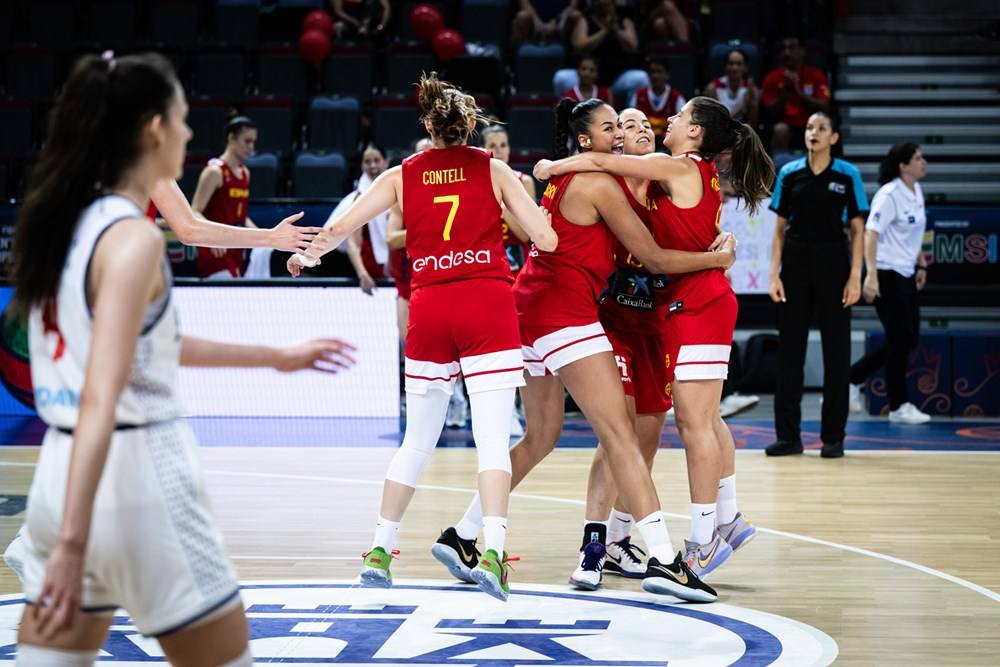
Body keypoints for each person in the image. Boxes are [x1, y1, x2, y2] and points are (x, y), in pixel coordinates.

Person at [8, 52, 354, 665]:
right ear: (153, 129)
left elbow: (141, 347)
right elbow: (104, 391)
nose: (191, 134)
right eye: (183, 119)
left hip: (61, 477)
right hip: (136, 475)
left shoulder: (57, 223)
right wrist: (71, 543)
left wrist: (275, 357)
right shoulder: (134, 238)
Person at [435, 97, 735, 603]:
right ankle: (665, 560)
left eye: (623, 125)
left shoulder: (573, 180)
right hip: (563, 314)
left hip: (524, 311)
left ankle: (462, 535)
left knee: (541, 438)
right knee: (621, 436)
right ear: (583, 139)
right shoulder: (598, 182)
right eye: (609, 127)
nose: (619, 133)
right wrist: (716, 256)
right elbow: (653, 255)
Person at [289, 73, 558, 602]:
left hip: (431, 306)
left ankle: (379, 552)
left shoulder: (400, 174)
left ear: (429, 126)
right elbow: (545, 238)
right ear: (471, 127)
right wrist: (514, 208)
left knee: (417, 440)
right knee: (492, 440)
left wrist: (308, 255)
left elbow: (343, 227)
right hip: (486, 304)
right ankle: (494, 555)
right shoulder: (495, 169)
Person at [535, 96, 773, 580]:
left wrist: (721, 243)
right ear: (615, 139)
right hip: (619, 319)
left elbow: (691, 234)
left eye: (652, 121)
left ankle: (698, 526)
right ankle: (600, 543)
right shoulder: (614, 182)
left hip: (670, 315)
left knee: (674, 427)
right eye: (628, 123)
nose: (646, 126)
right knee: (623, 434)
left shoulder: (668, 174)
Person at [766, 111, 868, 459]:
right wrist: (773, 273)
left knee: (836, 353)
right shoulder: (790, 173)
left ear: (834, 138)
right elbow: (778, 230)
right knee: (790, 351)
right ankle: (788, 437)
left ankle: (833, 438)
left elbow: (857, 230)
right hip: (795, 262)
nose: (814, 133)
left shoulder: (848, 174)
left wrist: (856, 276)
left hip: (834, 262)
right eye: (810, 128)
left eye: (822, 128)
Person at [848, 143, 931, 424]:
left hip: (906, 272)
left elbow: (916, 229)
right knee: (899, 339)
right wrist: (870, 275)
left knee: (908, 338)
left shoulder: (916, 191)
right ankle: (898, 405)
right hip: (885, 272)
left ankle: (851, 378)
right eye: (918, 158)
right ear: (903, 166)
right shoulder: (889, 194)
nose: (924, 162)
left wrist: (920, 262)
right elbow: (871, 233)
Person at [481, 123, 537, 437]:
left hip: (517, 271)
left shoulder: (521, 181)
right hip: (485, 269)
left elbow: (524, 232)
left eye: (503, 145)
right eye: (493, 145)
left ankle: (515, 406)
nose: (499, 150)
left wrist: (500, 202)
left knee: (514, 345)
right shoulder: (476, 178)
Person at [191, 113, 260, 278]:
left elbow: (240, 215)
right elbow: (195, 211)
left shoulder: (245, 174)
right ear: (232, 138)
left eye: (253, 142)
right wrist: (211, 236)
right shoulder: (215, 172)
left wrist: (263, 236)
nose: (251, 147)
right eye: (247, 141)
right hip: (215, 252)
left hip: (236, 250)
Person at [332, 144, 392, 295]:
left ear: (386, 162)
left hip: (398, 266)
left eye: (376, 160)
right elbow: (352, 242)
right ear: (361, 165)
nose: (372, 165)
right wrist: (362, 274)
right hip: (371, 269)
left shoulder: (399, 190)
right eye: (367, 161)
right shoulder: (359, 198)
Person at [761, 36, 830, 152]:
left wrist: (799, 92)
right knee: (780, 129)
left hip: (810, 124)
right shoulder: (772, 77)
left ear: (803, 51)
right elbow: (769, 111)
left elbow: (824, 105)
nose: (787, 52)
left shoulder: (816, 75)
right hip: (785, 125)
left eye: (792, 47)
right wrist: (786, 91)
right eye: (784, 48)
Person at [569, 0, 646, 102]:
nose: (602, 4)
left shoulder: (623, 20)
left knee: (640, 78)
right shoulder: (585, 19)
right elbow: (579, 46)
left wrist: (616, 30)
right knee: (562, 78)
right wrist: (605, 31)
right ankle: (570, 114)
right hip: (589, 75)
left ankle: (630, 115)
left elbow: (633, 46)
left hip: (617, 78)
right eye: (599, 2)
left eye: (606, 3)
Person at [628, 57, 686, 145]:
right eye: (652, 72)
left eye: (659, 72)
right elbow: (630, 122)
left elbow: (682, 126)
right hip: (642, 142)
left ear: (667, 74)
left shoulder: (677, 98)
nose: (655, 76)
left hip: (667, 145)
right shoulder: (638, 96)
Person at [705, 49, 759, 127]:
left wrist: (752, 101)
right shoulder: (713, 88)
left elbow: (754, 122)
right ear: (725, 67)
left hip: (743, 132)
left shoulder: (752, 90)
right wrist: (742, 108)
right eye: (731, 63)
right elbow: (715, 121)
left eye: (739, 64)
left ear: (745, 67)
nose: (734, 68)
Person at [511, 0, 581, 47]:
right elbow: (524, 2)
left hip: (561, 19)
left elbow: (573, 5)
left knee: (575, 15)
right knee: (522, 16)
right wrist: (537, 22)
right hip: (533, 20)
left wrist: (556, 22)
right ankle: (520, 61)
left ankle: (575, 63)